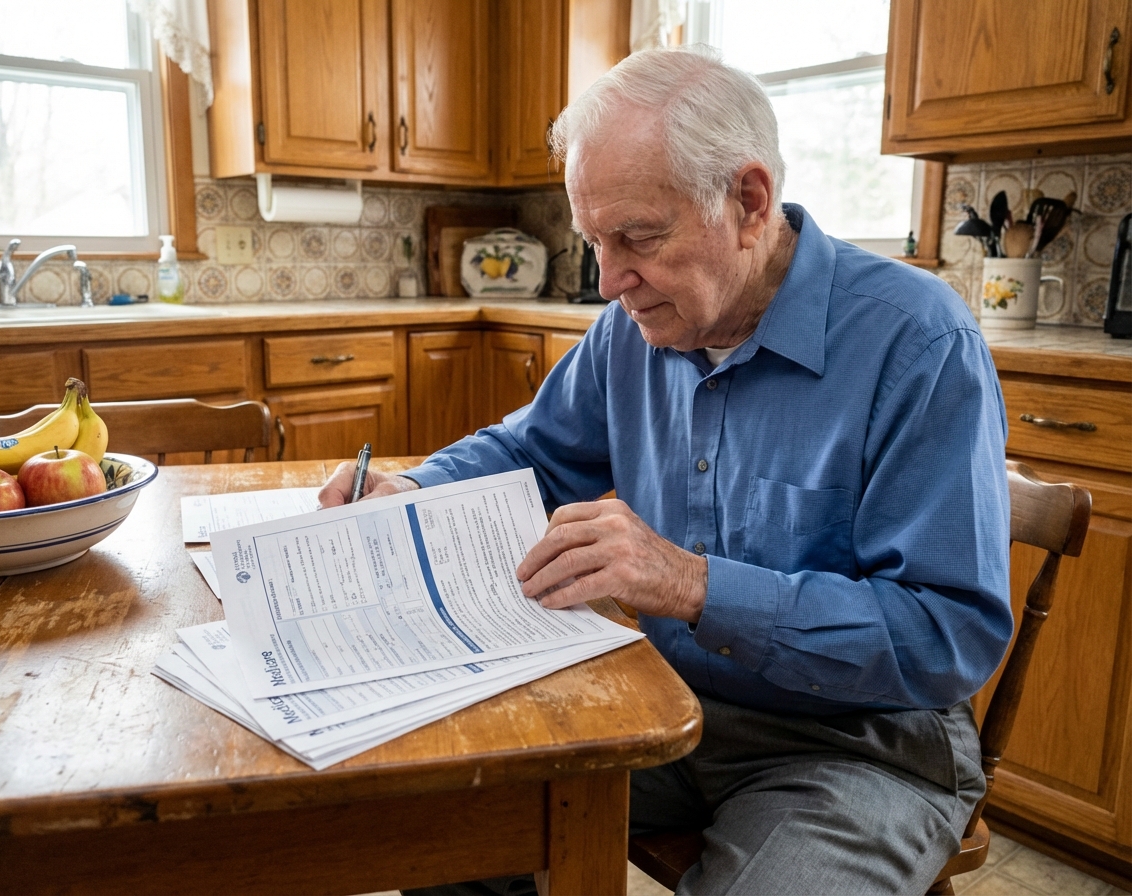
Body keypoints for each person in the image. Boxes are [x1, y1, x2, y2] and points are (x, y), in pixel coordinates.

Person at [319, 44, 1013, 896]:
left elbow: (949, 635)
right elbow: (533, 452)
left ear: (748, 202)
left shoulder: (919, 341)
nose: (609, 281)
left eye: (638, 237)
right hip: (663, 701)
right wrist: (414, 488)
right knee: (449, 829)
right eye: (594, 242)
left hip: (859, 742)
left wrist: (691, 584)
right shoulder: (634, 326)